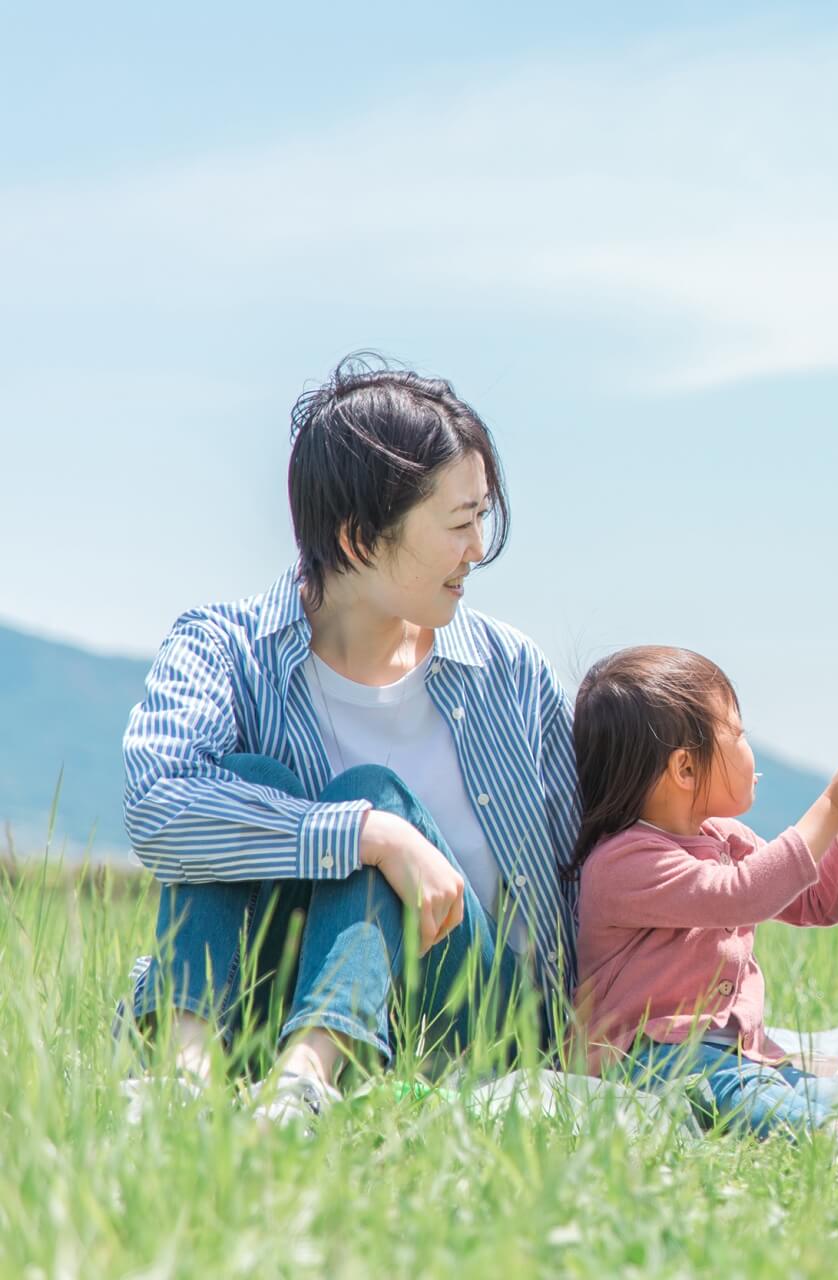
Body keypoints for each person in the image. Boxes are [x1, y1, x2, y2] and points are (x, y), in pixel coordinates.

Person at [120, 354, 579, 1126]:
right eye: (460, 523)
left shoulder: (511, 672)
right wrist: (368, 836)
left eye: (482, 518)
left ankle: (306, 1081)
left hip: (471, 1015)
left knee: (370, 799)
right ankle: (186, 1078)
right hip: (266, 1005)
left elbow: (586, 870)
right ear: (360, 539)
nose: (478, 549)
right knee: (255, 784)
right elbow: (160, 807)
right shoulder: (224, 649)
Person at [570, 646, 838, 1139]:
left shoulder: (724, 838)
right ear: (685, 769)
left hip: (739, 1057)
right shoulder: (623, 863)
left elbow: (821, 900)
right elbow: (742, 894)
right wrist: (834, 803)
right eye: (739, 732)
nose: (749, 746)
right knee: (745, 1098)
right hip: (651, 1060)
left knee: (807, 1090)